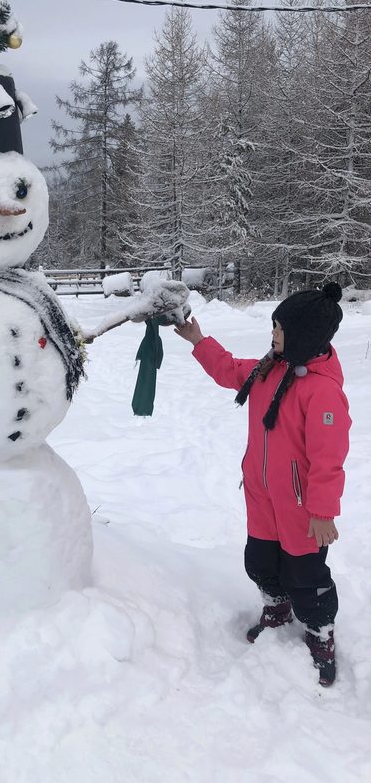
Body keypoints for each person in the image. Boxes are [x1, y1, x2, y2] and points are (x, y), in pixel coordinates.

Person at [174, 282, 351, 687]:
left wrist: (323, 512)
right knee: (260, 561)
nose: (273, 334)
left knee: (306, 576)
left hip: (302, 508)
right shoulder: (271, 368)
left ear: (304, 335)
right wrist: (200, 341)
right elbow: (231, 370)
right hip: (261, 495)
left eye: (280, 329)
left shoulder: (321, 392)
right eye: (273, 326)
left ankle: (320, 632)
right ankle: (276, 607)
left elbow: (329, 459)